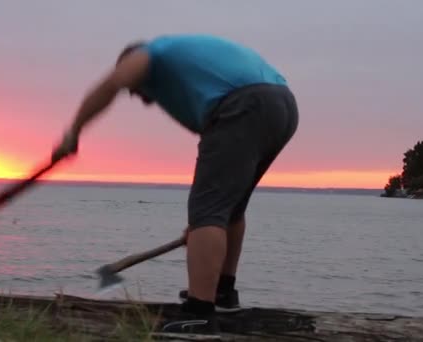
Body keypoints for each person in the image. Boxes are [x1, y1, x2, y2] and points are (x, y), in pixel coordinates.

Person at [52, 33, 299, 336]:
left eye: (134, 88)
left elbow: (110, 84)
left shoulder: (148, 54)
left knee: (208, 212)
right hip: (282, 105)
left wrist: (73, 132)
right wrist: (204, 229)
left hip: (245, 104)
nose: (135, 95)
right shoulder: (184, 68)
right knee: (229, 209)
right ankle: (222, 292)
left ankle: (199, 315)